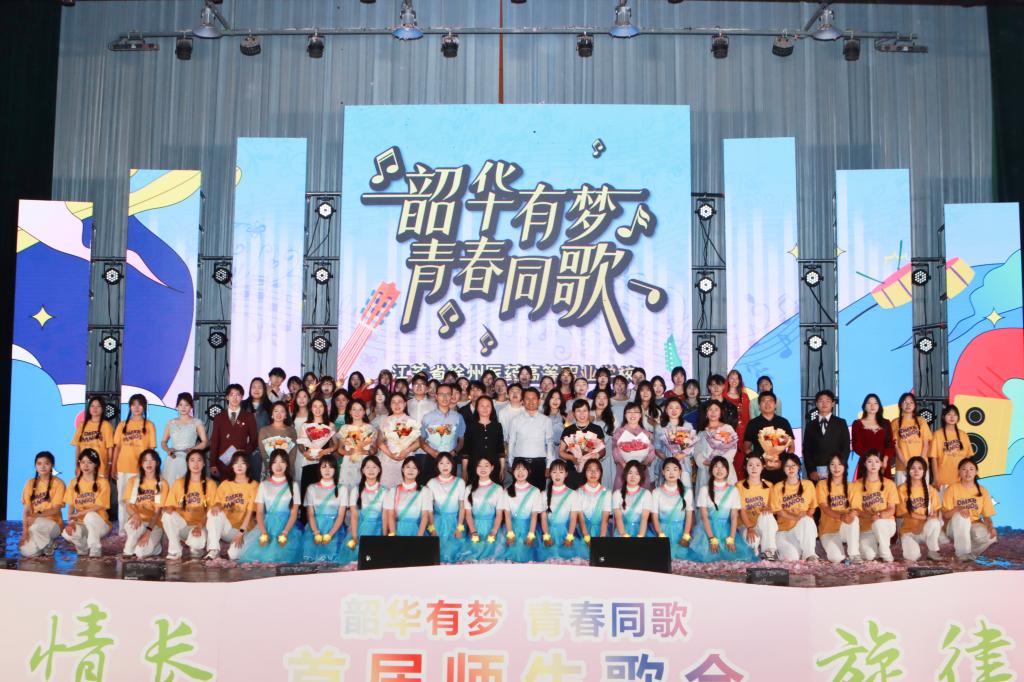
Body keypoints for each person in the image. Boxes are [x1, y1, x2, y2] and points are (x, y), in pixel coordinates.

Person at [238, 449, 301, 563]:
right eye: (275, 462)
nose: (278, 465)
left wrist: (285, 532)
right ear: (270, 465)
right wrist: (263, 532)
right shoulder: (264, 485)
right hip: (267, 526)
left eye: (282, 462)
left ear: (287, 464)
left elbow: (294, 513)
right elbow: (259, 512)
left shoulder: (294, 485)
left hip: (288, 527)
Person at [691, 456, 756, 563]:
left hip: (726, 530)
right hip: (707, 531)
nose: (719, 470)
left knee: (735, 557)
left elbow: (734, 516)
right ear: (711, 470)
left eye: (722, 467)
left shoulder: (733, 490)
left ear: (727, 471)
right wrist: (711, 538)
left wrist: (731, 538)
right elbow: (704, 517)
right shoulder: (704, 490)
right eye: (716, 467)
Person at [111, 394, 157, 532]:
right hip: (123, 467)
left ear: (144, 407)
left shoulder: (149, 425)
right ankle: (122, 529)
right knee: (122, 499)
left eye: (140, 404)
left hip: (140, 470)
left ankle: (135, 527)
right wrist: (113, 466)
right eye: (133, 404)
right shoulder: (122, 425)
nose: (136, 408)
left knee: (137, 500)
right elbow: (117, 447)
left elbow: (151, 450)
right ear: (130, 407)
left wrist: (149, 470)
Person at [162, 449, 217, 560]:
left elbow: (211, 512)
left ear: (204, 463)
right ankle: (175, 550)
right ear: (187, 463)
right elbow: (169, 505)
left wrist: (200, 526)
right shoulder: (178, 483)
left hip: (201, 526)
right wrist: (169, 509)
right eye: (192, 460)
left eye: (199, 460)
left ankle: (196, 544)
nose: (196, 464)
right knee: (167, 516)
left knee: (196, 549)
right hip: (183, 526)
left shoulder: (210, 484)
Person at [205, 452, 258, 561]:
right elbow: (217, 503)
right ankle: (214, 549)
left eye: (243, 463)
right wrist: (217, 505)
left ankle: (232, 548)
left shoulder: (254, 485)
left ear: (248, 465)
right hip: (228, 528)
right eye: (236, 463)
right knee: (213, 512)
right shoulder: (225, 484)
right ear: (232, 466)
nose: (239, 466)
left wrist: (241, 533)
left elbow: (250, 512)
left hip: (244, 530)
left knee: (234, 555)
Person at [942, 458, 998, 561]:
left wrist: (990, 527)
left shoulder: (983, 491)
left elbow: (987, 517)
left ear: (976, 472)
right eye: (964, 469)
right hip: (954, 527)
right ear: (959, 471)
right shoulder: (952, 489)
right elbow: (945, 515)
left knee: (991, 537)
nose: (968, 472)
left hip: (974, 525)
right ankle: (962, 553)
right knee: (961, 517)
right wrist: (958, 508)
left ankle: (969, 555)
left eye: (971, 469)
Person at [61, 449, 111, 558]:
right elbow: (71, 506)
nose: (86, 465)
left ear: (96, 464)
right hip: (82, 523)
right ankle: (82, 547)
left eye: (90, 462)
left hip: (100, 524)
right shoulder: (73, 482)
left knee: (90, 516)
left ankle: (95, 549)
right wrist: (71, 522)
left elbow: (100, 505)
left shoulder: (103, 482)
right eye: (83, 462)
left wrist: (80, 513)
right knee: (67, 533)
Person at [851, 450, 898, 562]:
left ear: (881, 463)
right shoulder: (856, 484)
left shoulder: (889, 484)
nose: (873, 465)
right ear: (864, 463)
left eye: (877, 461)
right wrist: (870, 516)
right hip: (866, 527)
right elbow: (856, 510)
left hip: (885, 523)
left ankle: (886, 554)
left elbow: (892, 509)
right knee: (869, 556)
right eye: (870, 461)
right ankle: (877, 548)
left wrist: (879, 515)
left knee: (878, 523)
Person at [337, 456, 387, 564]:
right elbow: (354, 515)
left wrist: (384, 536)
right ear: (363, 470)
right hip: (361, 529)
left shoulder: (385, 491)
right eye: (367, 467)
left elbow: (385, 516)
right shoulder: (356, 490)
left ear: (379, 470)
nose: (371, 470)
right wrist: (355, 535)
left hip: (378, 530)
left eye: (374, 467)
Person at [770, 454, 819, 561]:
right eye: (787, 466)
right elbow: (778, 511)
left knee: (807, 520)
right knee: (792, 558)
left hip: (801, 530)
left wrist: (805, 516)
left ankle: (809, 554)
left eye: (793, 465)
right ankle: (780, 550)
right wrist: (796, 517)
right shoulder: (778, 487)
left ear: (799, 467)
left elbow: (812, 507)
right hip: (784, 532)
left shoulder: (808, 485)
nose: (791, 469)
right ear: (783, 468)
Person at [121, 449, 168, 559]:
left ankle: (156, 548)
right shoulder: (133, 481)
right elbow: (128, 505)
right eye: (145, 460)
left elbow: (157, 512)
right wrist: (135, 514)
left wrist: (148, 533)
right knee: (129, 547)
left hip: (154, 525)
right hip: (138, 521)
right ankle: (130, 548)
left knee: (140, 552)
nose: (149, 463)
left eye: (152, 460)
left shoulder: (162, 483)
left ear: (157, 463)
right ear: (141, 464)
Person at [299, 455, 347, 562]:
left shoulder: (342, 489)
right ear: (319, 469)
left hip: (334, 529)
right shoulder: (311, 488)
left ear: (335, 469)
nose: (327, 470)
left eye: (330, 467)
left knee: (333, 557)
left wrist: (330, 534)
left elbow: (341, 515)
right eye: (324, 467)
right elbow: (310, 514)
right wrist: (316, 532)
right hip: (315, 527)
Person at [459, 458, 508, 561]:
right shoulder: (469, 488)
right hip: (474, 527)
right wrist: (473, 531)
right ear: (475, 468)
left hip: (492, 527)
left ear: (492, 468)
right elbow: (468, 514)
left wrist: (494, 531)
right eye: (479, 465)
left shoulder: (498, 489)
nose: (483, 468)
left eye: (486, 465)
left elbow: (499, 514)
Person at [506, 387, 555, 490]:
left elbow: (550, 444)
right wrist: (510, 463)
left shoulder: (546, 420)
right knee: (518, 493)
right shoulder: (515, 421)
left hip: (539, 463)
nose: (531, 401)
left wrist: (549, 465)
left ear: (539, 401)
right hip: (519, 463)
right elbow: (511, 442)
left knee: (539, 493)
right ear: (523, 401)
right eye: (527, 398)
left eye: (534, 398)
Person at [19, 452, 66, 558]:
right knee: (26, 552)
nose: (43, 466)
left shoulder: (59, 483)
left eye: (46, 463)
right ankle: (48, 545)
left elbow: (56, 509)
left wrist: (36, 516)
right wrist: (25, 532)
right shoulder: (30, 483)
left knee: (35, 527)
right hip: (34, 525)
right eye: (39, 463)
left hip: (53, 525)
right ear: (35, 466)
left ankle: (48, 542)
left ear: (52, 465)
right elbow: (26, 510)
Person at [897, 456, 943, 562]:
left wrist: (923, 524)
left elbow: (935, 514)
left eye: (920, 468)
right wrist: (924, 518)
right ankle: (911, 546)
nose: (916, 471)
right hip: (909, 531)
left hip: (925, 530)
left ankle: (933, 550)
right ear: (908, 470)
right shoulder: (901, 489)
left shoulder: (930, 490)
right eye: (913, 468)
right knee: (912, 557)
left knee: (935, 522)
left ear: (924, 471)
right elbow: (905, 513)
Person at [649, 457, 696, 561]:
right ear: (663, 472)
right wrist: (660, 534)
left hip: (681, 533)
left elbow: (689, 515)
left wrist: (686, 535)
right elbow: (654, 516)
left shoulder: (687, 492)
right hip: (662, 531)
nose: (671, 473)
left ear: (680, 472)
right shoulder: (656, 492)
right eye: (668, 469)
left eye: (675, 469)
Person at [816, 455, 860, 564]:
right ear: (828, 467)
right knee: (836, 558)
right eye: (832, 464)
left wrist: (850, 515)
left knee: (854, 519)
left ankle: (854, 554)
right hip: (828, 530)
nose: (836, 468)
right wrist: (841, 516)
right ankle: (839, 551)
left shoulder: (852, 486)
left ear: (845, 467)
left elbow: (856, 509)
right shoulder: (822, 485)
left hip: (845, 527)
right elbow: (825, 508)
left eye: (839, 464)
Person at [209, 383, 259, 481]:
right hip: (223, 462)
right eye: (232, 395)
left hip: (242, 461)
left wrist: (244, 452)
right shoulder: (219, 417)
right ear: (227, 397)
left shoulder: (248, 417)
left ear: (242, 397)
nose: (235, 398)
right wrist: (213, 464)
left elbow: (254, 440)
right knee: (225, 488)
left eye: (238, 395)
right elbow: (214, 441)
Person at [743, 391, 794, 485]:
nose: (767, 404)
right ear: (759, 406)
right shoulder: (753, 423)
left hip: (781, 468)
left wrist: (783, 462)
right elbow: (747, 448)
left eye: (770, 401)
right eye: (763, 401)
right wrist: (761, 461)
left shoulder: (783, 422)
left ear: (775, 405)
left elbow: (791, 447)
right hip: (760, 469)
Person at [420, 384, 467, 483]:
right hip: (432, 459)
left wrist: (454, 452)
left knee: (450, 488)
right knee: (430, 487)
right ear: (436, 396)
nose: (445, 397)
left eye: (448, 394)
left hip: (450, 459)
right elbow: (422, 439)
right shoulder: (427, 417)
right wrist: (432, 452)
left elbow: (461, 440)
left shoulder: (458, 417)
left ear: (451, 396)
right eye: (441, 394)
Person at [535, 460, 580, 561]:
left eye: (561, 472)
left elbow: (573, 518)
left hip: (566, 534)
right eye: (554, 472)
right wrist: (546, 536)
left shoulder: (573, 494)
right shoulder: (543, 494)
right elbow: (543, 518)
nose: (557, 475)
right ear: (549, 473)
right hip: (549, 534)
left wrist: (569, 537)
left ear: (566, 474)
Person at [736, 455, 778, 561]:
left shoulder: (769, 485)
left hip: (762, 524)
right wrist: (749, 528)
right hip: (746, 525)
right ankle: (755, 547)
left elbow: (773, 509)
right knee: (752, 543)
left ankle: (769, 551)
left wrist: (769, 509)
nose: (754, 468)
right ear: (745, 467)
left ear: (763, 467)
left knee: (767, 515)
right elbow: (742, 510)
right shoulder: (739, 486)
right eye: (750, 465)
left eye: (757, 465)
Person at [426, 453, 467, 564]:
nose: (445, 466)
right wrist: (432, 528)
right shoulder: (431, 483)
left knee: (455, 555)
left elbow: (462, 507)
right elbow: (429, 509)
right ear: (437, 465)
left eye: (448, 463)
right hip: (437, 523)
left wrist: (459, 527)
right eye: (441, 463)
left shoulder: (460, 482)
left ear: (453, 465)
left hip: (455, 522)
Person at [376, 392, 423, 489]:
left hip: (406, 459)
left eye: (400, 402)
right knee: (387, 488)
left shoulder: (412, 421)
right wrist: (390, 454)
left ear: (405, 404)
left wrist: (406, 451)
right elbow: (379, 442)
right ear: (390, 405)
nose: (397, 405)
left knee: (405, 488)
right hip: (388, 459)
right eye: (393, 402)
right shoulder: (385, 421)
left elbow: (419, 442)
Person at [160, 393, 208, 486]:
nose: (183, 407)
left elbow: (205, 442)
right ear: (177, 406)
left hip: (189, 458)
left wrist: (193, 449)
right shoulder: (171, 423)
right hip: (172, 458)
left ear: (191, 407)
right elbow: (163, 441)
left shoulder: (196, 422)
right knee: (170, 485)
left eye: (186, 405)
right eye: (180, 405)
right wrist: (168, 450)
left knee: (187, 485)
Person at [801, 389, 849, 481]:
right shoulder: (810, 425)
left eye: (827, 401)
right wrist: (811, 470)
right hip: (816, 472)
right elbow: (807, 450)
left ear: (833, 403)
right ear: (816, 404)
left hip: (836, 470)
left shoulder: (841, 423)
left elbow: (845, 447)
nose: (824, 404)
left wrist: (839, 467)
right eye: (821, 401)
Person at [503, 458, 545, 563]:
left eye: (523, 469)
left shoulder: (535, 491)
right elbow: (507, 516)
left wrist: (531, 535)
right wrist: (510, 533)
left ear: (529, 471)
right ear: (512, 471)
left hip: (530, 528)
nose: (520, 472)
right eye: (517, 469)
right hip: (511, 528)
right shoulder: (507, 491)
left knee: (526, 554)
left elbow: (534, 516)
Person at [296, 397, 337, 502]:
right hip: (308, 461)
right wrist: (304, 452)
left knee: (324, 493)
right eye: (315, 406)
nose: (318, 409)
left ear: (325, 408)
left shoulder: (330, 425)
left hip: (325, 462)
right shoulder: (305, 425)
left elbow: (336, 445)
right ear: (311, 408)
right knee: (307, 492)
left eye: (320, 406)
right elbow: (300, 443)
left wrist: (325, 451)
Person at [558, 399, 605, 490]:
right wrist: (572, 458)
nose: (582, 414)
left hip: (592, 471)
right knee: (572, 496)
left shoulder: (596, 429)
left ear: (589, 412)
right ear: (573, 413)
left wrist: (597, 455)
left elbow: (603, 450)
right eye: (578, 411)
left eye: (584, 410)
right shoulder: (568, 430)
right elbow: (561, 452)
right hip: (572, 470)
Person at [692, 401, 738, 489]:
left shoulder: (727, 428)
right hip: (706, 469)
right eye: (710, 409)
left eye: (716, 409)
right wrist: (705, 462)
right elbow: (697, 451)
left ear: (720, 413)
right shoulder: (701, 432)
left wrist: (719, 463)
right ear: (706, 413)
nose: (713, 412)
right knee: (705, 494)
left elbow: (732, 449)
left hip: (723, 468)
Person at [655, 397, 697, 488]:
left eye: (677, 407)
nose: (674, 410)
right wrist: (667, 459)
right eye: (671, 408)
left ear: (681, 410)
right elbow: (656, 448)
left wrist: (682, 455)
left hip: (684, 464)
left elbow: (692, 447)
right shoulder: (660, 427)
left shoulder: (687, 426)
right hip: (666, 464)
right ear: (666, 410)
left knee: (684, 489)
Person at [384, 457, 432, 537]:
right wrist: (393, 536)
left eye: (414, 468)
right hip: (398, 531)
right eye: (408, 467)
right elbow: (390, 515)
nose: (411, 470)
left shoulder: (424, 491)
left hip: (417, 531)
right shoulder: (393, 490)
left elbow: (425, 516)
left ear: (418, 471)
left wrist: (419, 537)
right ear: (403, 469)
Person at [891, 392, 931, 486]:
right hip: (902, 467)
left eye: (911, 402)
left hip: (921, 467)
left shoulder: (921, 421)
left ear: (915, 405)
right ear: (900, 405)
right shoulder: (895, 423)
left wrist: (919, 464)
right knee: (902, 493)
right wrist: (907, 464)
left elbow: (926, 444)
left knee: (921, 493)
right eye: (905, 402)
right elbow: (896, 446)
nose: (908, 405)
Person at [462, 395, 505, 483]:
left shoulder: (497, 426)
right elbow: (466, 450)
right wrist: (464, 470)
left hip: (493, 466)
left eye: (488, 406)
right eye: (482, 406)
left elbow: (500, 449)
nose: (485, 408)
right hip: (474, 466)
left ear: (492, 408)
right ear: (477, 408)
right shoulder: (470, 426)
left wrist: (502, 468)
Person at [336, 399, 378, 490]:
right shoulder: (344, 428)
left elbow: (375, 449)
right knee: (346, 491)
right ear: (350, 412)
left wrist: (365, 451)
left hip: (365, 464)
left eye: (360, 409)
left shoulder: (370, 428)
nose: (357, 412)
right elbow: (340, 449)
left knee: (363, 491)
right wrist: (348, 452)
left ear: (364, 412)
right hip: (348, 463)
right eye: (354, 409)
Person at [851, 393, 894, 479]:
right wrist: (870, 460)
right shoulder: (857, 424)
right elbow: (856, 446)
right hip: (866, 463)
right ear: (864, 406)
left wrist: (884, 460)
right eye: (869, 403)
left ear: (879, 406)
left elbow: (890, 444)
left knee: (884, 486)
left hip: (883, 463)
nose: (872, 406)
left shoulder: (886, 423)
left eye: (875, 403)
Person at [929, 404, 971, 491]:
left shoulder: (963, 435)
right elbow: (933, 458)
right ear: (943, 417)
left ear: (958, 418)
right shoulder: (937, 434)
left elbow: (968, 458)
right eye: (949, 414)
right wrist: (936, 478)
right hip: (942, 480)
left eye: (955, 415)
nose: (952, 417)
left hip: (960, 480)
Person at [71, 397, 114, 479]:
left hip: (100, 467)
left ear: (102, 409)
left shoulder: (106, 425)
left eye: (98, 406)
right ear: (89, 408)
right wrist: (77, 464)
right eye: (92, 406)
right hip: (84, 467)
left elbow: (110, 447)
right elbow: (78, 447)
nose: (95, 409)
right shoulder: (82, 425)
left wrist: (109, 465)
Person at [574, 459, 612, 549]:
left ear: (601, 473)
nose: (593, 473)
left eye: (596, 470)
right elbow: (581, 519)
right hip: (582, 532)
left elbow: (605, 520)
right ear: (584, 472)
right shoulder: (578, 492)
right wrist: (586, 538)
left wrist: (601, 538)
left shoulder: (607, 493)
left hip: (601, 531)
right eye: (589, 470)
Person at [257, 402, 298, 483]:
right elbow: (263, 453)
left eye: (282, 411)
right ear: (272, 414)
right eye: (276, 411)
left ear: (286, 415)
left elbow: (293, 452)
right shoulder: (264, 430)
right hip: (268, 468)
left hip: (287, 468)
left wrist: (286, 467)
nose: (278, 414)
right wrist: (271, 467)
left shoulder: (291, 430)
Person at [612, 461, 653, 537]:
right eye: (630, 473)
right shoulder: (617, 494)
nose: (633, 476)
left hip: (642, 532)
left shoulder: (646, 494)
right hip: (622, 533)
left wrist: (640, 536)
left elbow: (644, 519)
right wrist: (624, 535)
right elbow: (618, 518)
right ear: (625, 474)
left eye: (637, 474)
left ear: (641, 476)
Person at [590, 389, 617, 490]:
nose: (601, 401)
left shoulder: (612, 417)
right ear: (594, 400)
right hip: (590, 456)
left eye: (604, 398)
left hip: (608, 457)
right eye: (598, 398)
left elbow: (616, 437)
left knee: (607, 485)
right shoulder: (588, 414)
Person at [723, 370, 751, 449]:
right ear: (728, 380)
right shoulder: (723, 396)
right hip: (726, 431)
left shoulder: (744, 397)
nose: (734, 381)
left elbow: (747, 416)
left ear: (739, 381)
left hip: (742, 431)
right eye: (732, 378)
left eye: (736, 378)